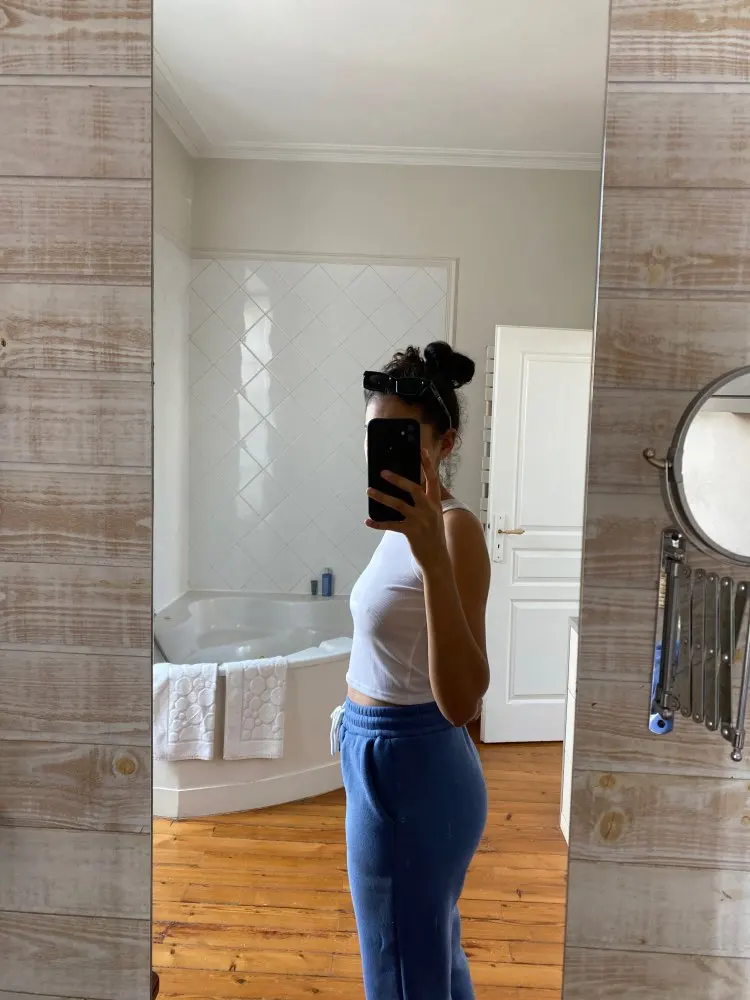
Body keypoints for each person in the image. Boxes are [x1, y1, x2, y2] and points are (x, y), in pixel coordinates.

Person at [332, 341, 491, 1000]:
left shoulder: (452, 532)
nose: (385, 453)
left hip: (413, 766)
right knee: (426, 961)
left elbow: (463, 701)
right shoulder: (400, 529)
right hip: (376, 757)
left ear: (444, 443)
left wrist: (430, 557)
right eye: (377, 437)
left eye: (402, 439)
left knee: (401, 969)